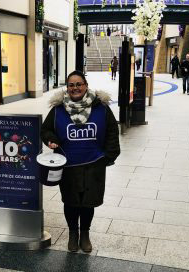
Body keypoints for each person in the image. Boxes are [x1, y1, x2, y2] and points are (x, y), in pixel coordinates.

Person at [41, 70, 120, 253]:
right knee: (70, 202)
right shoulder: (58, 110)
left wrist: (109, 155)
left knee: (88, 203)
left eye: (79, 84)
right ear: (67, 88)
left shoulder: (101, 108)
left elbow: (111, 131)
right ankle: (73, 234)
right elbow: (46, 130)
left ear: (86, 86)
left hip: (94, 164)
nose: (75, 88)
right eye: (71, 85)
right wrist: (51, 139)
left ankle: (85, 234)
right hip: (68, 166)